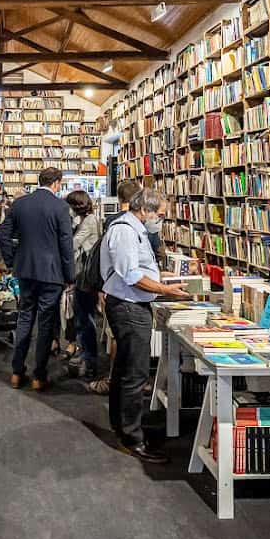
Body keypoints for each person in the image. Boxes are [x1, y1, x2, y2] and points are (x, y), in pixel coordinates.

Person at [101, 188, 188, 463]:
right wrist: (164, 289)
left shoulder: (133, 228)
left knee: (126, 370)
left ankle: (123, 426)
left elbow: (138, 267)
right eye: (160, 216)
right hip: (128, 307)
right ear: (146, 210)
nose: (160, 221)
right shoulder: (126, 231)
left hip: (130, 304)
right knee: (135, 373)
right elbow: (131, 275)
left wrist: (162, 276)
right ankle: (132, 437)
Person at [0, 167, 74, 392]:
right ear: (57, 183)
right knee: (45, 323)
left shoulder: (20, 204)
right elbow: (66, 244)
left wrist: (11, 260)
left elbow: (3, 232)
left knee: (24, 317)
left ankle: (16, 371)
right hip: (52, 273)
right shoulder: (60, 207)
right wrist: (70, 276)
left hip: (25, 269)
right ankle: (39, 376)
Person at [65, 189, 100, 383]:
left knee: (84, 319)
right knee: (82, 318)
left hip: (86, 279)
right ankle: (87, 356)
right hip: (83, 276)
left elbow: (73, 244)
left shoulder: (89, 222)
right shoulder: (88, 219)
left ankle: (90, 360)